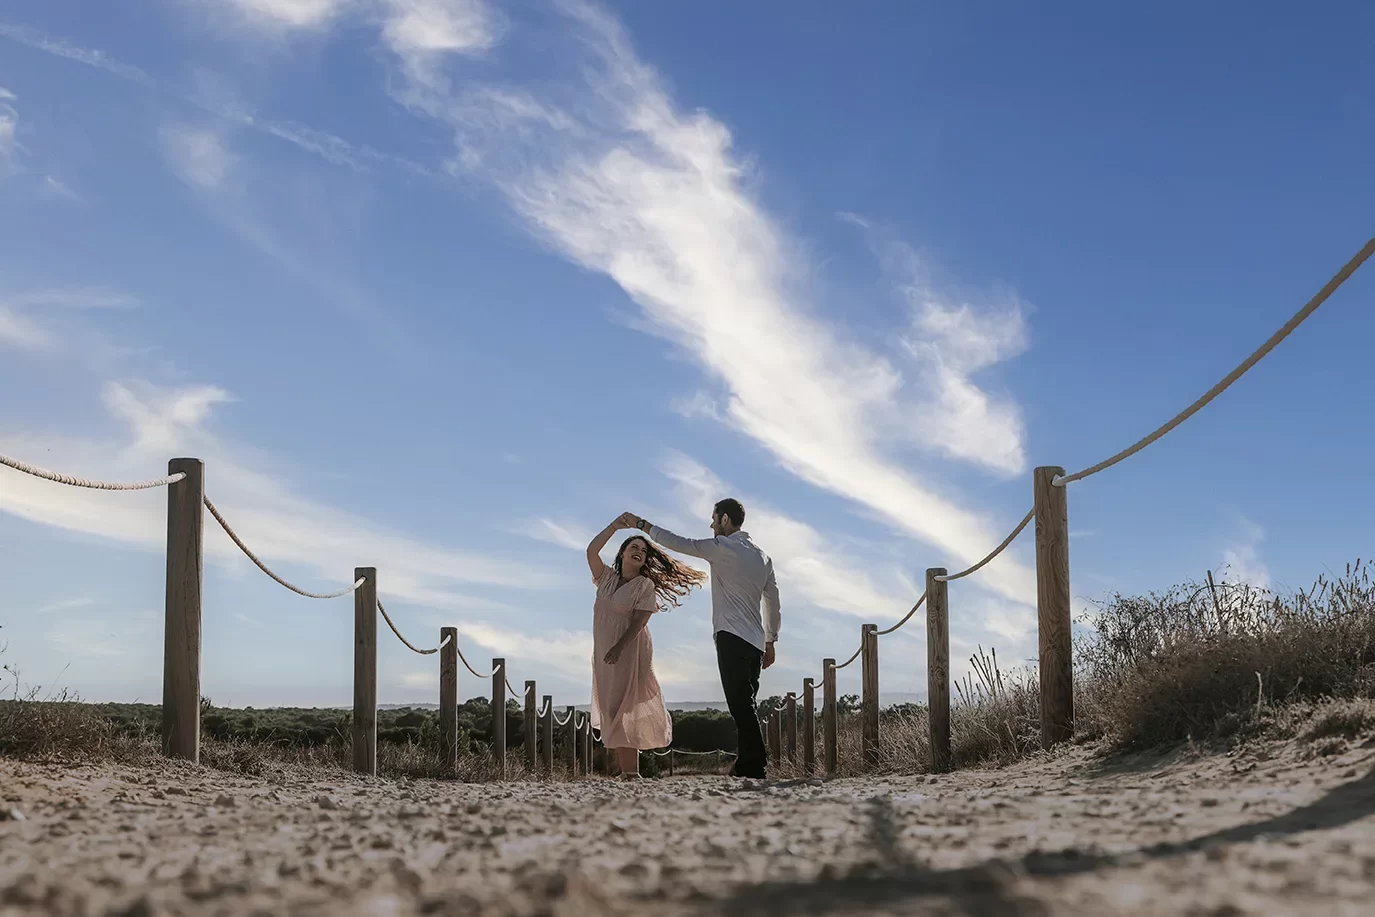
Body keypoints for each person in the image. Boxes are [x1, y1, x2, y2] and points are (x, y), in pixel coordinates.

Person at [623, 500, 780, 780]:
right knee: (747, 704)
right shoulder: (764, 557)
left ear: (725, 519)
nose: (711, 524)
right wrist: (771, 640)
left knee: (741, 706)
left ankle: (756, 766)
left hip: (731, 637)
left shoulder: (722, 548)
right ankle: (745, 766)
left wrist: (641, 525)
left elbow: (679, 543)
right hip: (755, 642)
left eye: (714, 519)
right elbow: (773, 601)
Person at [586, 514, 706, 778]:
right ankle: (628, 771)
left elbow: (640, 621)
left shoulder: (644, 585)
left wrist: (619, 647)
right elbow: (592, 551)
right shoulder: (605, 578)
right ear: (623, 553)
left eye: (643, 550)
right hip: (604, 651)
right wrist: (614, 526)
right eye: (634, 548)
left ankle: (631, 772)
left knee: (623, 704)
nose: (639, 552)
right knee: (610, 706)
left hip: (629, 648)